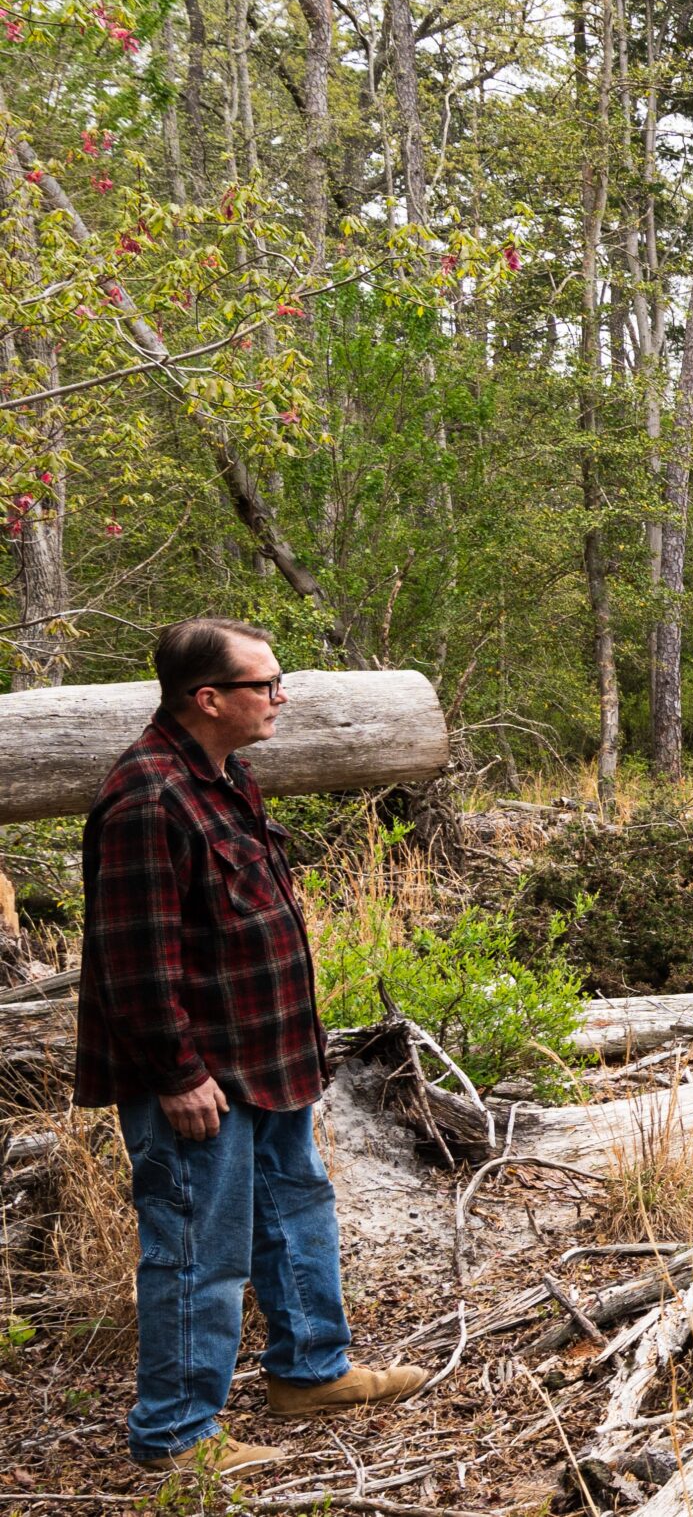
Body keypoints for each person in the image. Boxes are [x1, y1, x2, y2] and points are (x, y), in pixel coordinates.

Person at [77, 619, 425, 1475]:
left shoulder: (227, 776)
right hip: (200, 1077)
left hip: (267, 1059)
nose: (280, 696)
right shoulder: (149, 796)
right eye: (264, 684)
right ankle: (177, 1437)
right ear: (208, 698)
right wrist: (178, 1072)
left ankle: (310, 1372)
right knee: (198, 1245)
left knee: (295, 1204)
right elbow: (134, 958)